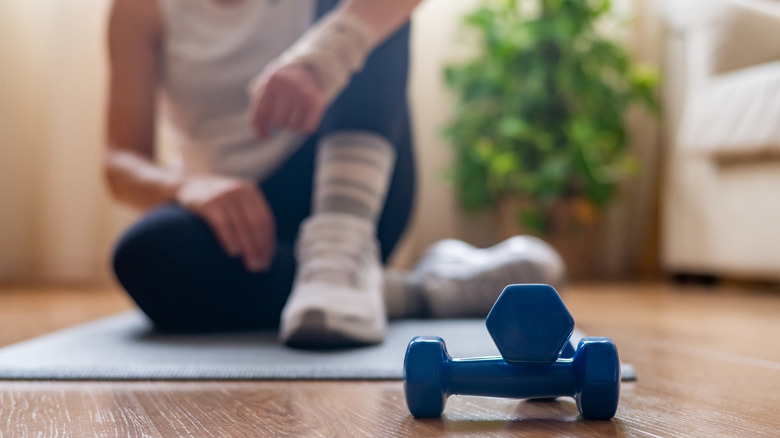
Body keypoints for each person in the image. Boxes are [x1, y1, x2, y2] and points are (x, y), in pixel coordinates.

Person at [106, 0, 565, 349]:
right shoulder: (139, 9)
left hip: (360, 185)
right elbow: (120, 160)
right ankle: (416, 292)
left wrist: (322, 57)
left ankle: (341, 248)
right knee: (144, 255)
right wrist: (189, 185)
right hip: (246, 223)